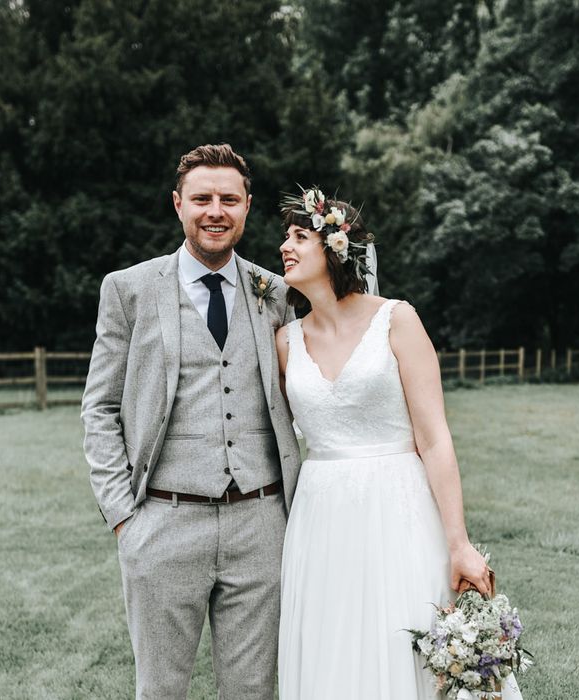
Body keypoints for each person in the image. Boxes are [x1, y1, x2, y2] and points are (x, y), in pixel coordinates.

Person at [275, 187, 523, 699]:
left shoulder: (397, 319)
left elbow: (434, 439)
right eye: (285, 236)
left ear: (335, 249)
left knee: (401, 637)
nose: (285, 246)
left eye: (300, 236)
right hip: (320, 517)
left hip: (398, 507)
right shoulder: (285, 341)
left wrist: (459, 542)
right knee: (332, 644)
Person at [81, 144, 301, 700]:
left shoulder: (274, 292)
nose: (215, 211)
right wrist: (124, 519)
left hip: (261, 523)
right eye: (202, 198)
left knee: (253, 690)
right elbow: (100, 407)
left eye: (229, 199)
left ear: (247, 206)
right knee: (160, 690)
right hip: (163, 520)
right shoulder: (128, 290)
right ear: (178, 205)